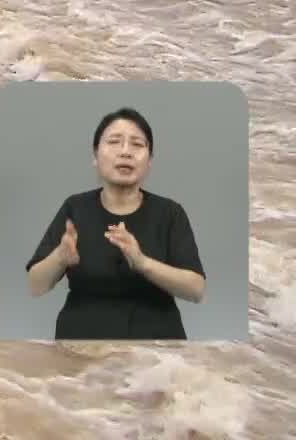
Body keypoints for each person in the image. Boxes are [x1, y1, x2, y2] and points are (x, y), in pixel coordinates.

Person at [25, 107, 207, 339]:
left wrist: (142, 263)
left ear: (150, 160)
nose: (125, 152)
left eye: (137, 145)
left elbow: (196, 290)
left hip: (156, 355)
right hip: (81, 350)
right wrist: (60, 257)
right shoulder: (75, 208)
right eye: (114, 141)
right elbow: (35, 286)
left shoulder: (170, 213)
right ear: (95, 155)